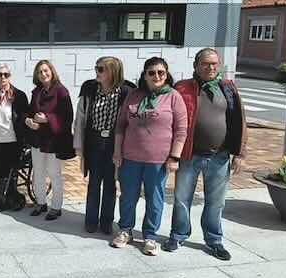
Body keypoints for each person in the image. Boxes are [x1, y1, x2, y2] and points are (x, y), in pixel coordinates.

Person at [165, 48, 247, 261]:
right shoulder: (182, 87)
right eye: (206, 63)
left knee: (216, 202)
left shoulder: (228, 88)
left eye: (214, 64)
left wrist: (240, 153)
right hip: (189, 155)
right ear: (196, 65)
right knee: (182, 198)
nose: (211, 67)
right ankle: (178, 235)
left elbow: (239, 120)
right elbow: (170, 119)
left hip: (219, 157)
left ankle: (214, 240)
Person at [112, 57, 188, 256]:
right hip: (130, 157)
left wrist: (175, 157)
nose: (156, 76)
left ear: (166, 74)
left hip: (158, 160)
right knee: (128, 196)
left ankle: (150, 236)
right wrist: (117, 151)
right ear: (144, 75)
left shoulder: (173, 97)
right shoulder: (133, 95)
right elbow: (120, 126)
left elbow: (181, 130)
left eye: (161, 72)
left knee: (155, 200)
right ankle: (125, 230)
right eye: (151, 72)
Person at [73, 57, 134, 234]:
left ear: (113, 71)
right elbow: (80, 118)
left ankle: (107, 221)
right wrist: (78, 145)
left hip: (115, 143)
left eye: (101, 69)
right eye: (96, 68)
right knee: (93, 182)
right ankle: (91, 221)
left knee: (110, 183)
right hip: (94, 141)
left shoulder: (126, 92)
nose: (97, 72)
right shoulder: (90, 89)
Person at [25, 60, 74, 221]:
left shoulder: (61, 91)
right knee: (38, 173)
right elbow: (30, 112)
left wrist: (48, 119)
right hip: (37, 139)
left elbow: (67, 117)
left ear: (52, 71)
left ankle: (56, 207)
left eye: (46, 70)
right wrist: (29, 121)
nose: (43, 74)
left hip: (54, 141)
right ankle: (41, 203)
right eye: (40, 72)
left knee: (54, 174)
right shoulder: (36, 92)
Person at [0, 63, 29, 211]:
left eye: (6, 74)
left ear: (9, 76)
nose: (2, 77)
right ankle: (2, 197)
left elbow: (23, 118)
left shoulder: (19, 95)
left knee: (10, 172)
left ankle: (7, 199)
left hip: (13, 139)